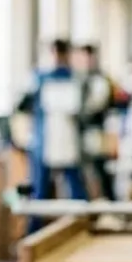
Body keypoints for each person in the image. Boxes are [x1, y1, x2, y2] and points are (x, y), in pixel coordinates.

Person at [20, 38, 87, 233]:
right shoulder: (39, 78)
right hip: (44, 141)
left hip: (67, 141)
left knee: (75, 189)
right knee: (39, 193)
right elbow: (24, 105)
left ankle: (82, 228)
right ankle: (32, 236)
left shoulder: (75, 79)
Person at [78, 44, 118, 200]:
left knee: (101, 170)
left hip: (96, 132)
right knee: (83, 175)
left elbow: (96, 106)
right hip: (80, 133)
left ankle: (111, 203)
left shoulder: (100, 79)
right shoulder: (79, 78)